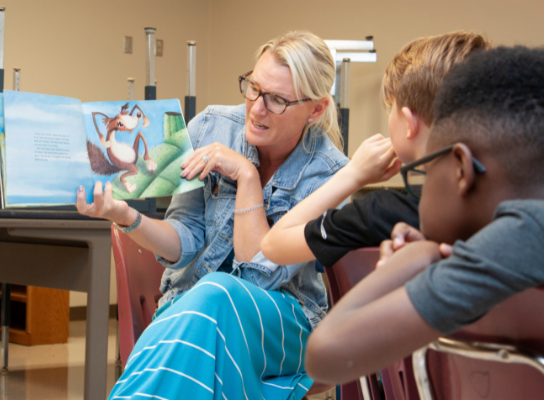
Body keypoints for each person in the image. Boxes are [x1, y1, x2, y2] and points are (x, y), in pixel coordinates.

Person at [77, 31, 350, 399]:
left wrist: (247, 176)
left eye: (277, 100)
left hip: (283, 323)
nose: (256, 108)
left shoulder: (331, 175)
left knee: (216, 294)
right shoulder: (211, 126)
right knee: (203, 309)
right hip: (193, 305)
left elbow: (259, 277)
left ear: (316, 109)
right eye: (253, 88)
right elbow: (185, 238)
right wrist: (127, 216)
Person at [304, 45, 544, 384]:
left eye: (423, 171)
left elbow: (325, 355)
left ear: (460, 169)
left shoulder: (524, 234)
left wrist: (416, 258)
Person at [261, 31, 489, 268]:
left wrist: (354, 174)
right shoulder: (510, 198)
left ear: (409, 123)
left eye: (391, 108)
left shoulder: (382, 212)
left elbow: (273, 245)